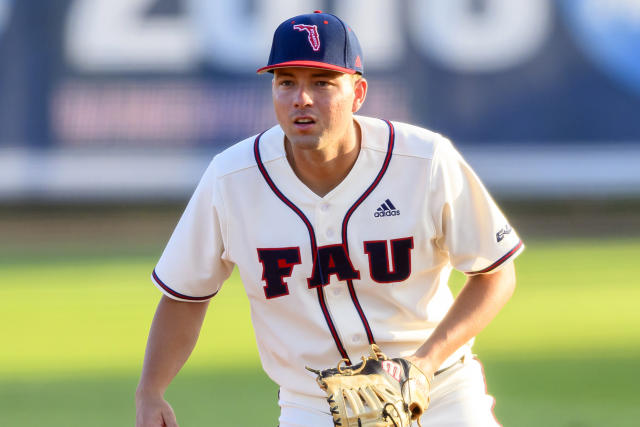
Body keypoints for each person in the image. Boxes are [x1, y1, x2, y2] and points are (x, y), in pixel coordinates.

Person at [136, 10, 523, 427]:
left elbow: (495, 272)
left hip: (440, 391)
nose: (301, 98)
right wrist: (151, 391)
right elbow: (185, 294)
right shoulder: (232, 179)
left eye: (321, 83)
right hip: (315, 405)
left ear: (358, 93)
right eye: (287, 83)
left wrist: (424, 365)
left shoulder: (423, 160)